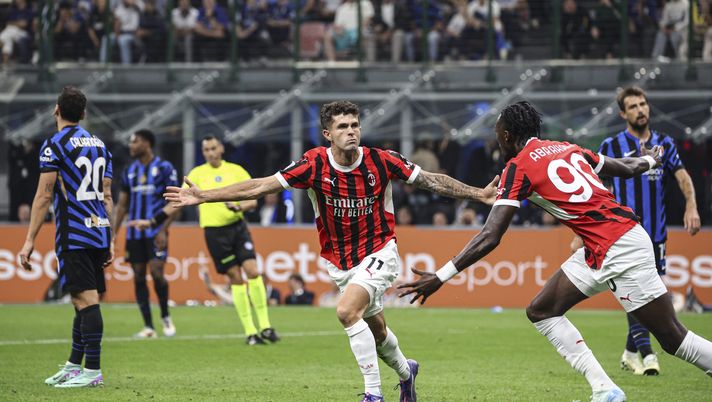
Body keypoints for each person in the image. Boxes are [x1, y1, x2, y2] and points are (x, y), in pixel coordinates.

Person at [164, 100, 498, 401]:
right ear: (328, 133)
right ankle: (407, 373)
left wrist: (479, 194)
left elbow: (431, 180)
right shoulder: (312, 165)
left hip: (381, 249)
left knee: (345, 311)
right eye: (342, 126)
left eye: (355, 125)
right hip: (340, 261)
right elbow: (260, 185)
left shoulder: (381, 161)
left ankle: (372, 394)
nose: (351, 131)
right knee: (377, 330)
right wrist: (204, 196)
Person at [398, 101, 712, 402]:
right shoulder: (568, 147)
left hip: (618, 247)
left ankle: (606, 388)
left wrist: (441, 276)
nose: (498, 140)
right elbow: (625, 168)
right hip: (609, 244)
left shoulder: (517, 167)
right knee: (541, 309)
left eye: (498, 134)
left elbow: (491, 235)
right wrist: (652, 160)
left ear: (507, 135)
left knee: (673, 339)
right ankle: (604, 389)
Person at [597, 86, 701, 376]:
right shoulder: (611, 146)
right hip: (623, 235)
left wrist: (691, 205)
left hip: (656, 236)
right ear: (623, 113)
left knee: (650, 296)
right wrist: (583, 230)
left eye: (643, 104)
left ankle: (631, 352)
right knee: (637, 293)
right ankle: (647, 353)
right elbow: (594, 188)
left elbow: (683, 178)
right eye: (633, 106)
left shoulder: (664, 143)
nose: (640, 110)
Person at [137, 135, 280, 346]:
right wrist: (153, 221)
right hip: (214, 233)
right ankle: (251, 332)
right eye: (206, 150)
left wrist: (239, 207)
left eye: (213, 148)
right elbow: (179, 201)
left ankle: (266, 326)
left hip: (238, 228)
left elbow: (253, 200)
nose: (210, 153)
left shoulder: (236, 170)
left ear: (221, 148)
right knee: (235, 279)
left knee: (253, 271)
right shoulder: (197, 174)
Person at [19, 86, 114, 387]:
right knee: (80, 299)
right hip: (98, 228)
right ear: (83, 113)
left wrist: (30, 239)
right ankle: (75, 364)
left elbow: (44, 195)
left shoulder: (55, 144)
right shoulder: (100, 145)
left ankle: (93, 371)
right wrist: (109, 236)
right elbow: (107, 196)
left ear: (56, 110)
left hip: (75, 232)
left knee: (86, 300)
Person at [112, 129, 178, 338]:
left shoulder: (165, 168)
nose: (131, 145)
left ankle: (166, 316)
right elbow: (122, 205)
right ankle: (149, 326)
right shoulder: (129, 170)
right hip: (134, 234)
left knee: (158, 274)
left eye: (135, 142)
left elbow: (175, 201)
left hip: (156, 231)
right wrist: (113, 233)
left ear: (147, 143)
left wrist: (163, 230)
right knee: (139, 276)